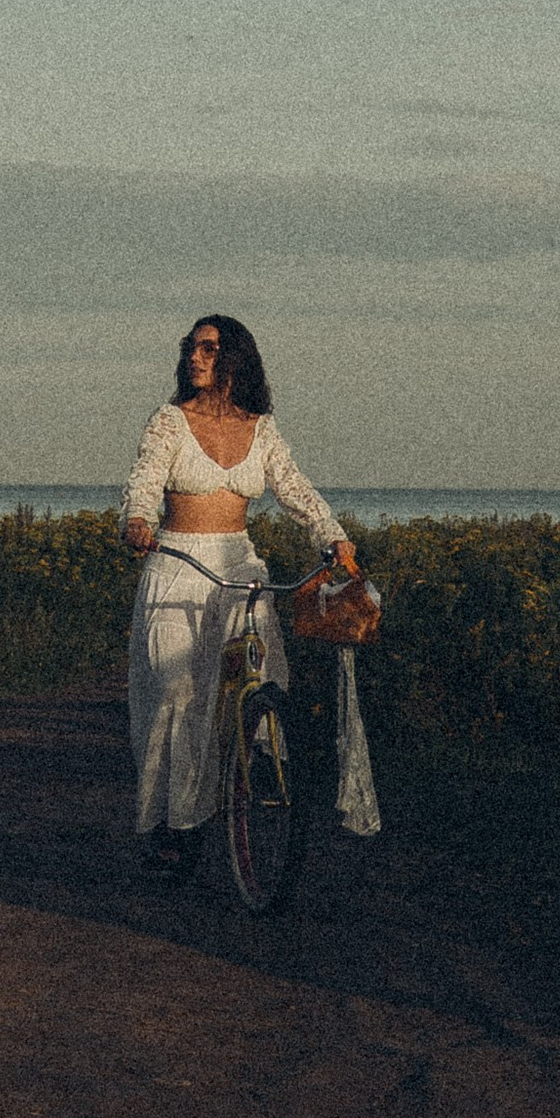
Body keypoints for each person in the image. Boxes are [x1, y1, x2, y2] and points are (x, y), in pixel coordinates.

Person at [121, 314, 359, 872]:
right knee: (175, 694)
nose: (195, 356)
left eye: (208, 348)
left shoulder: (261, 429)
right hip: (176, 566)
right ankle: (173, 826)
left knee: (253, 686)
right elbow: (145, 478)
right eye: (192, 347)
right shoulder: (170, 421)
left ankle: (245, 792)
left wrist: (332, 535)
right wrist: (137, 518)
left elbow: (295, 487)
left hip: (238, 565)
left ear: (235, 358)